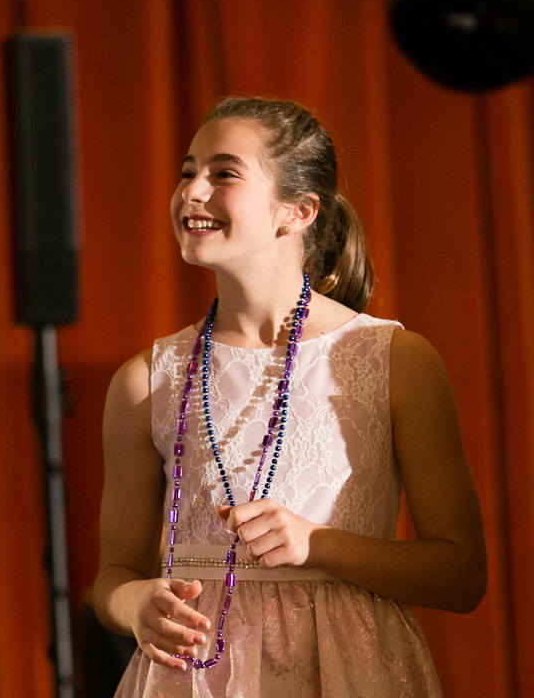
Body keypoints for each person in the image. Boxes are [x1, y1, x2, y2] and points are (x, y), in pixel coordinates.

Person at [92, 97, 487, 697]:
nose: (191, 191)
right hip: (196, 678)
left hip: (349, 675)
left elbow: (461, 574)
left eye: (223, 173)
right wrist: (134, 603)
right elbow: (112, 577)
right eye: (187, 171)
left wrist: (317, 544)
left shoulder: (394, 361)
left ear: (297, 211)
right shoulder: (147, 380)